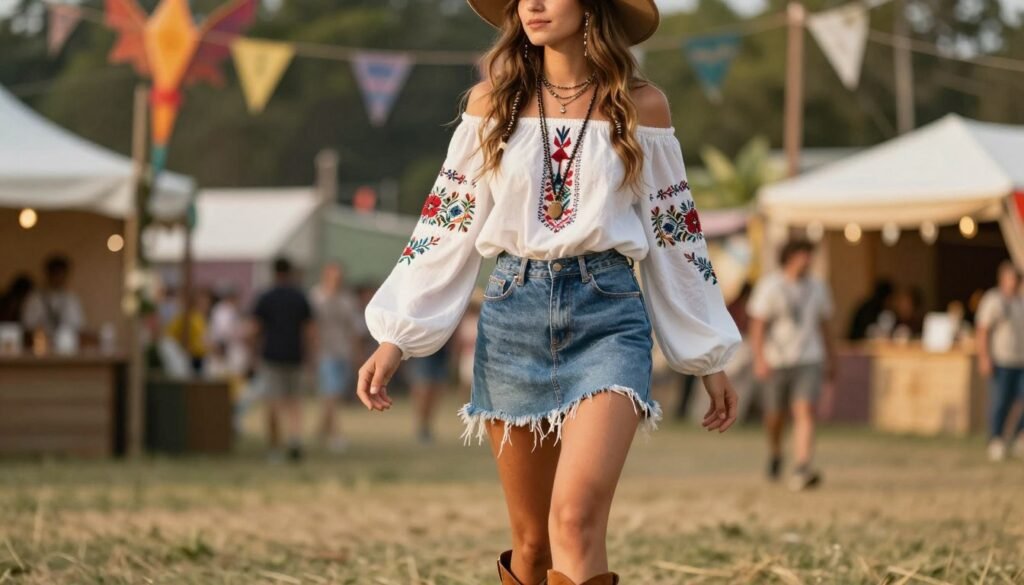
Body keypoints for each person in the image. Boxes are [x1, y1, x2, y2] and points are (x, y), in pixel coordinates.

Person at [359, 1, 743, 583]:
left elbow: (676, 235)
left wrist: (707, 352)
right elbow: (448, 223)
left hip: (609, 316)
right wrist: (397, 336)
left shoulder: (642, 106)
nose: (532, 4)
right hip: (513, 314)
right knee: (534, 545)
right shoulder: (492, 103)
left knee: (575, 519)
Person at [747, 239, 835, 492]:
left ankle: (802, 466)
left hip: (809, 358)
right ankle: (775, 452)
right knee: (775, 416)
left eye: (810, 255)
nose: (807, 260)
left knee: (804, 410)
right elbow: (758, 326)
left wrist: (832, 357)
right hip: (777, 360)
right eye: (803, 255)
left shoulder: (818, 287)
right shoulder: (771, 286)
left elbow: (825, 325)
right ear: (790, 257)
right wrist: (760, 358)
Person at [250, 257, 315, 462]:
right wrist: (310, 356)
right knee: (294, 402)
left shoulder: (266, 297)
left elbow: (255, 328)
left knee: (273, 403)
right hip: (295, 355)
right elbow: (310, 330)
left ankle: (275, 447)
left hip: (272, 356)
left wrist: (252, 352)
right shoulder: (300, 297)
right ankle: (295, 440)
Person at [309, 261, 363, 452]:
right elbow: (311, 328)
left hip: (343, 351)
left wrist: (357, 354)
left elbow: (354, 329)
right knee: (331, 394)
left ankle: (320, 429)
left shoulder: (347, 300)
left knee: (332, 395)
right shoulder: (316, 297)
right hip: (324, 352)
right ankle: (335, 435)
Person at [975, 260, 1024, 461]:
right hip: (1002, 361)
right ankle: (996, 439)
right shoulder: (994, 300)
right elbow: (983, 330)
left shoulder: (1020, 302)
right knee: (1001, 402)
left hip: (1021, 361)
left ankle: (1020, 437)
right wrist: (984, 357)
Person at [21, 254, 85, 339]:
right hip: (40, 344)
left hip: (67, 345)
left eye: (62, 275)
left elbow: (80, 326)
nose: (58, 278)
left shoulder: (71, 299)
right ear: (48, 274)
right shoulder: (35, 299)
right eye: (56, 274)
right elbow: (27, 326)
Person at [404, 341, 452, 444]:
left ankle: (426, 427)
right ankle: (422, 427)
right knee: (424, 389)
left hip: (441, 349)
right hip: (424, 350)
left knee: (436, 390)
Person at [165, 288, 213, 375]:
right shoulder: (191, 317)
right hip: (191, 356)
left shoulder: (199, 318)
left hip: (198, 356)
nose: (205, 305)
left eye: (207, 303)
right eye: (202, 302)